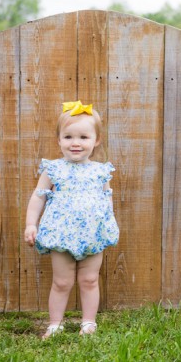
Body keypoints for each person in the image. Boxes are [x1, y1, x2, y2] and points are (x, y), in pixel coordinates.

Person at [23, 100, 119, 339]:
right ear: (59, 140)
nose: (75, 143)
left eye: (83, 137)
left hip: (93, 235)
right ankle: (55, 324)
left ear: (96, 140)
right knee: (62, 282)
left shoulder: (101, 171)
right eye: (68, 137)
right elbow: (38, 197)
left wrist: (108, 226)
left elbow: (106, 201)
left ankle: (88, 323)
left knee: (89, 280)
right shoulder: (53, 169)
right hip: (61, 234)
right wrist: (30, 224)